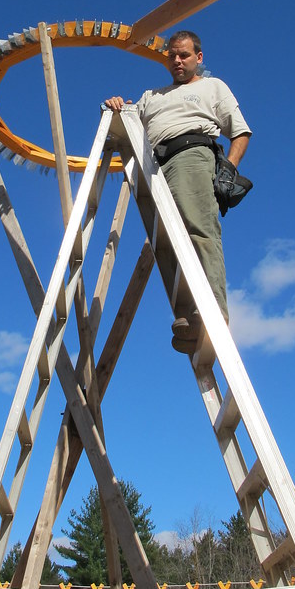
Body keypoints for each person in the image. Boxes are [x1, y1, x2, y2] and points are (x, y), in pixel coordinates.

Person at [105, 29, 251, 353]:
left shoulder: (213, 87)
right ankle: (187, 316)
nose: (177, 60)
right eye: (172, 55)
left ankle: (213, 312)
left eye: (184, 55)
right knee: (166, 240)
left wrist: (228, 168)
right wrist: (117, 106)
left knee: (197, 228)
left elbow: (240, 132)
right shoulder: (152, 96)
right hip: (155, 165)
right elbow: (128, 117)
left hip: (192, 155)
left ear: (198, 57)